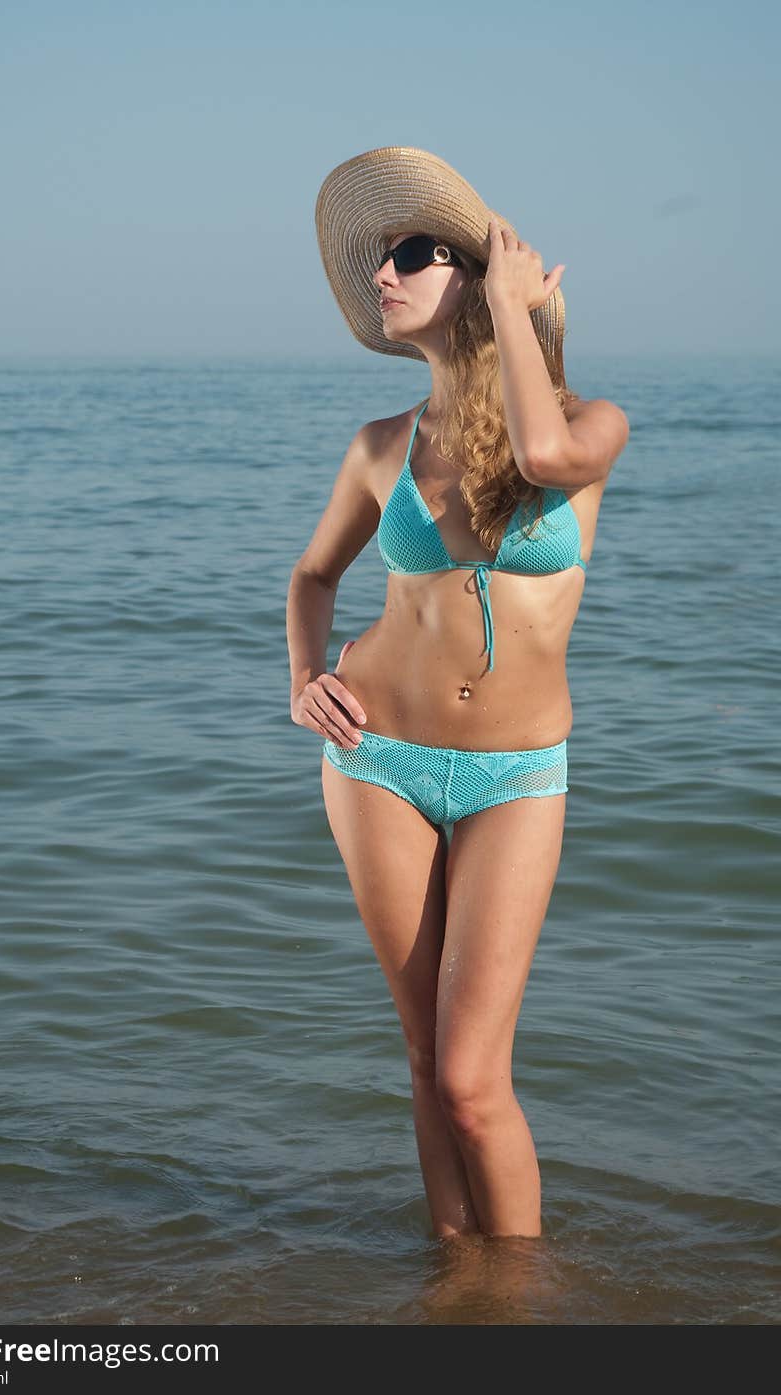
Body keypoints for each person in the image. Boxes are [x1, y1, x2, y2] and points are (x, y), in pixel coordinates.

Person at [286, 147, 629, 1241]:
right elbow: (311, 577)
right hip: (376, 759)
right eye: (379, 259)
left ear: (477, 281)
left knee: (477, 1083)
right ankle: (452, 1294)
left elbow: (534, 446)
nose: (384, 274)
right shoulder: (381, 445)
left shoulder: (590, 426)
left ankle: (517, 1310)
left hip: (516, 775)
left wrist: (516, 314)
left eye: (411, 254)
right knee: (429, 1063)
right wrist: (305, 678)